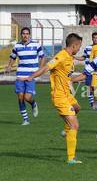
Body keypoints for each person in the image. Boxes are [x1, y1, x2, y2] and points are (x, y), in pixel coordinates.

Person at [21, 33, 83, 164]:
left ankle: (66, 131)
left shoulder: (70, 56)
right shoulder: (61, 56)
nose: (79, 49)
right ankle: (71, 158)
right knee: (75, 125)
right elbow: (46, 67)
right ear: (74, 45)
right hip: (59, 96)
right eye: (79, 46)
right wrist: (32, 77)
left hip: (67, 94)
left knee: (77, 108)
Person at [5, 27, 46, 125]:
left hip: (31, 75)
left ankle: (33, 103)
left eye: (27, 33)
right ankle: (26, 119)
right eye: (23, 33)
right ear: (21, 35)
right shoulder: (17, 46)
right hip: (20, 75)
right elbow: (12, 57)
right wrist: (9, 66)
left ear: (29, 35)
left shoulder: (36, 45)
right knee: (20, 97)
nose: (25, 35)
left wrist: (40, 69)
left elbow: (43, 57)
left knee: (27, 97)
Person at [74, 32, 97, 108]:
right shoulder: (88, 48)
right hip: (89, 71)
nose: (95, 39)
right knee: (89, 88)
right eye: (94, 38)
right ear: (92, 38)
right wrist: (75, 57)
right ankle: (93, 104)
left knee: (96, 88)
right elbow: (84, 57)